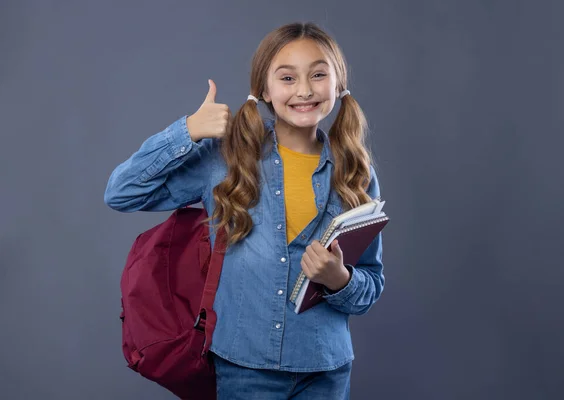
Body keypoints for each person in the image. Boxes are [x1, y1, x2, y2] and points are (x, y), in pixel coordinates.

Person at [104, 21, 384, 400]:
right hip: (243, 366)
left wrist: (339, 279)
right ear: (263, 88)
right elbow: (121, 192)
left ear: (338, 84)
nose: (304, 90)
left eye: (318, 75)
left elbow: (370, 285)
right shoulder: (226, 158)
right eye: (287, 77)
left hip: (326, 371)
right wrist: (187, 131)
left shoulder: (356, 174)